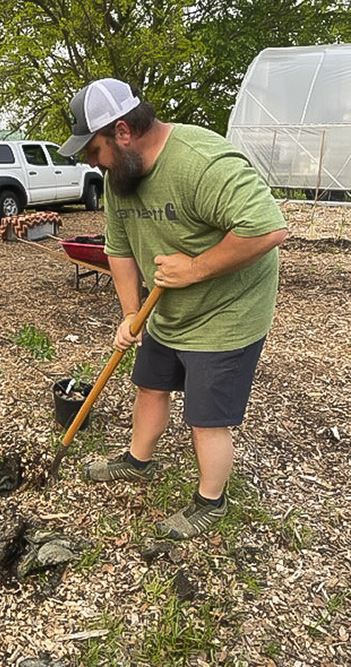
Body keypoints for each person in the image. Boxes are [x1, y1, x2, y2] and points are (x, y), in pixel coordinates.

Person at [59, 78, 288, 539]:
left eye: (93, 149)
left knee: (206, 419)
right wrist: (130, 314)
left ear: (122, 132)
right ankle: (136, 461)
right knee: (149, 385)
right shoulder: (119, 176)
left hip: (227, 310)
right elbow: (119, 249)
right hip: (166, 310)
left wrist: (197, 268)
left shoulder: (202, 161)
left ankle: (210, 502)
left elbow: (267, 231)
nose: (90, 160)